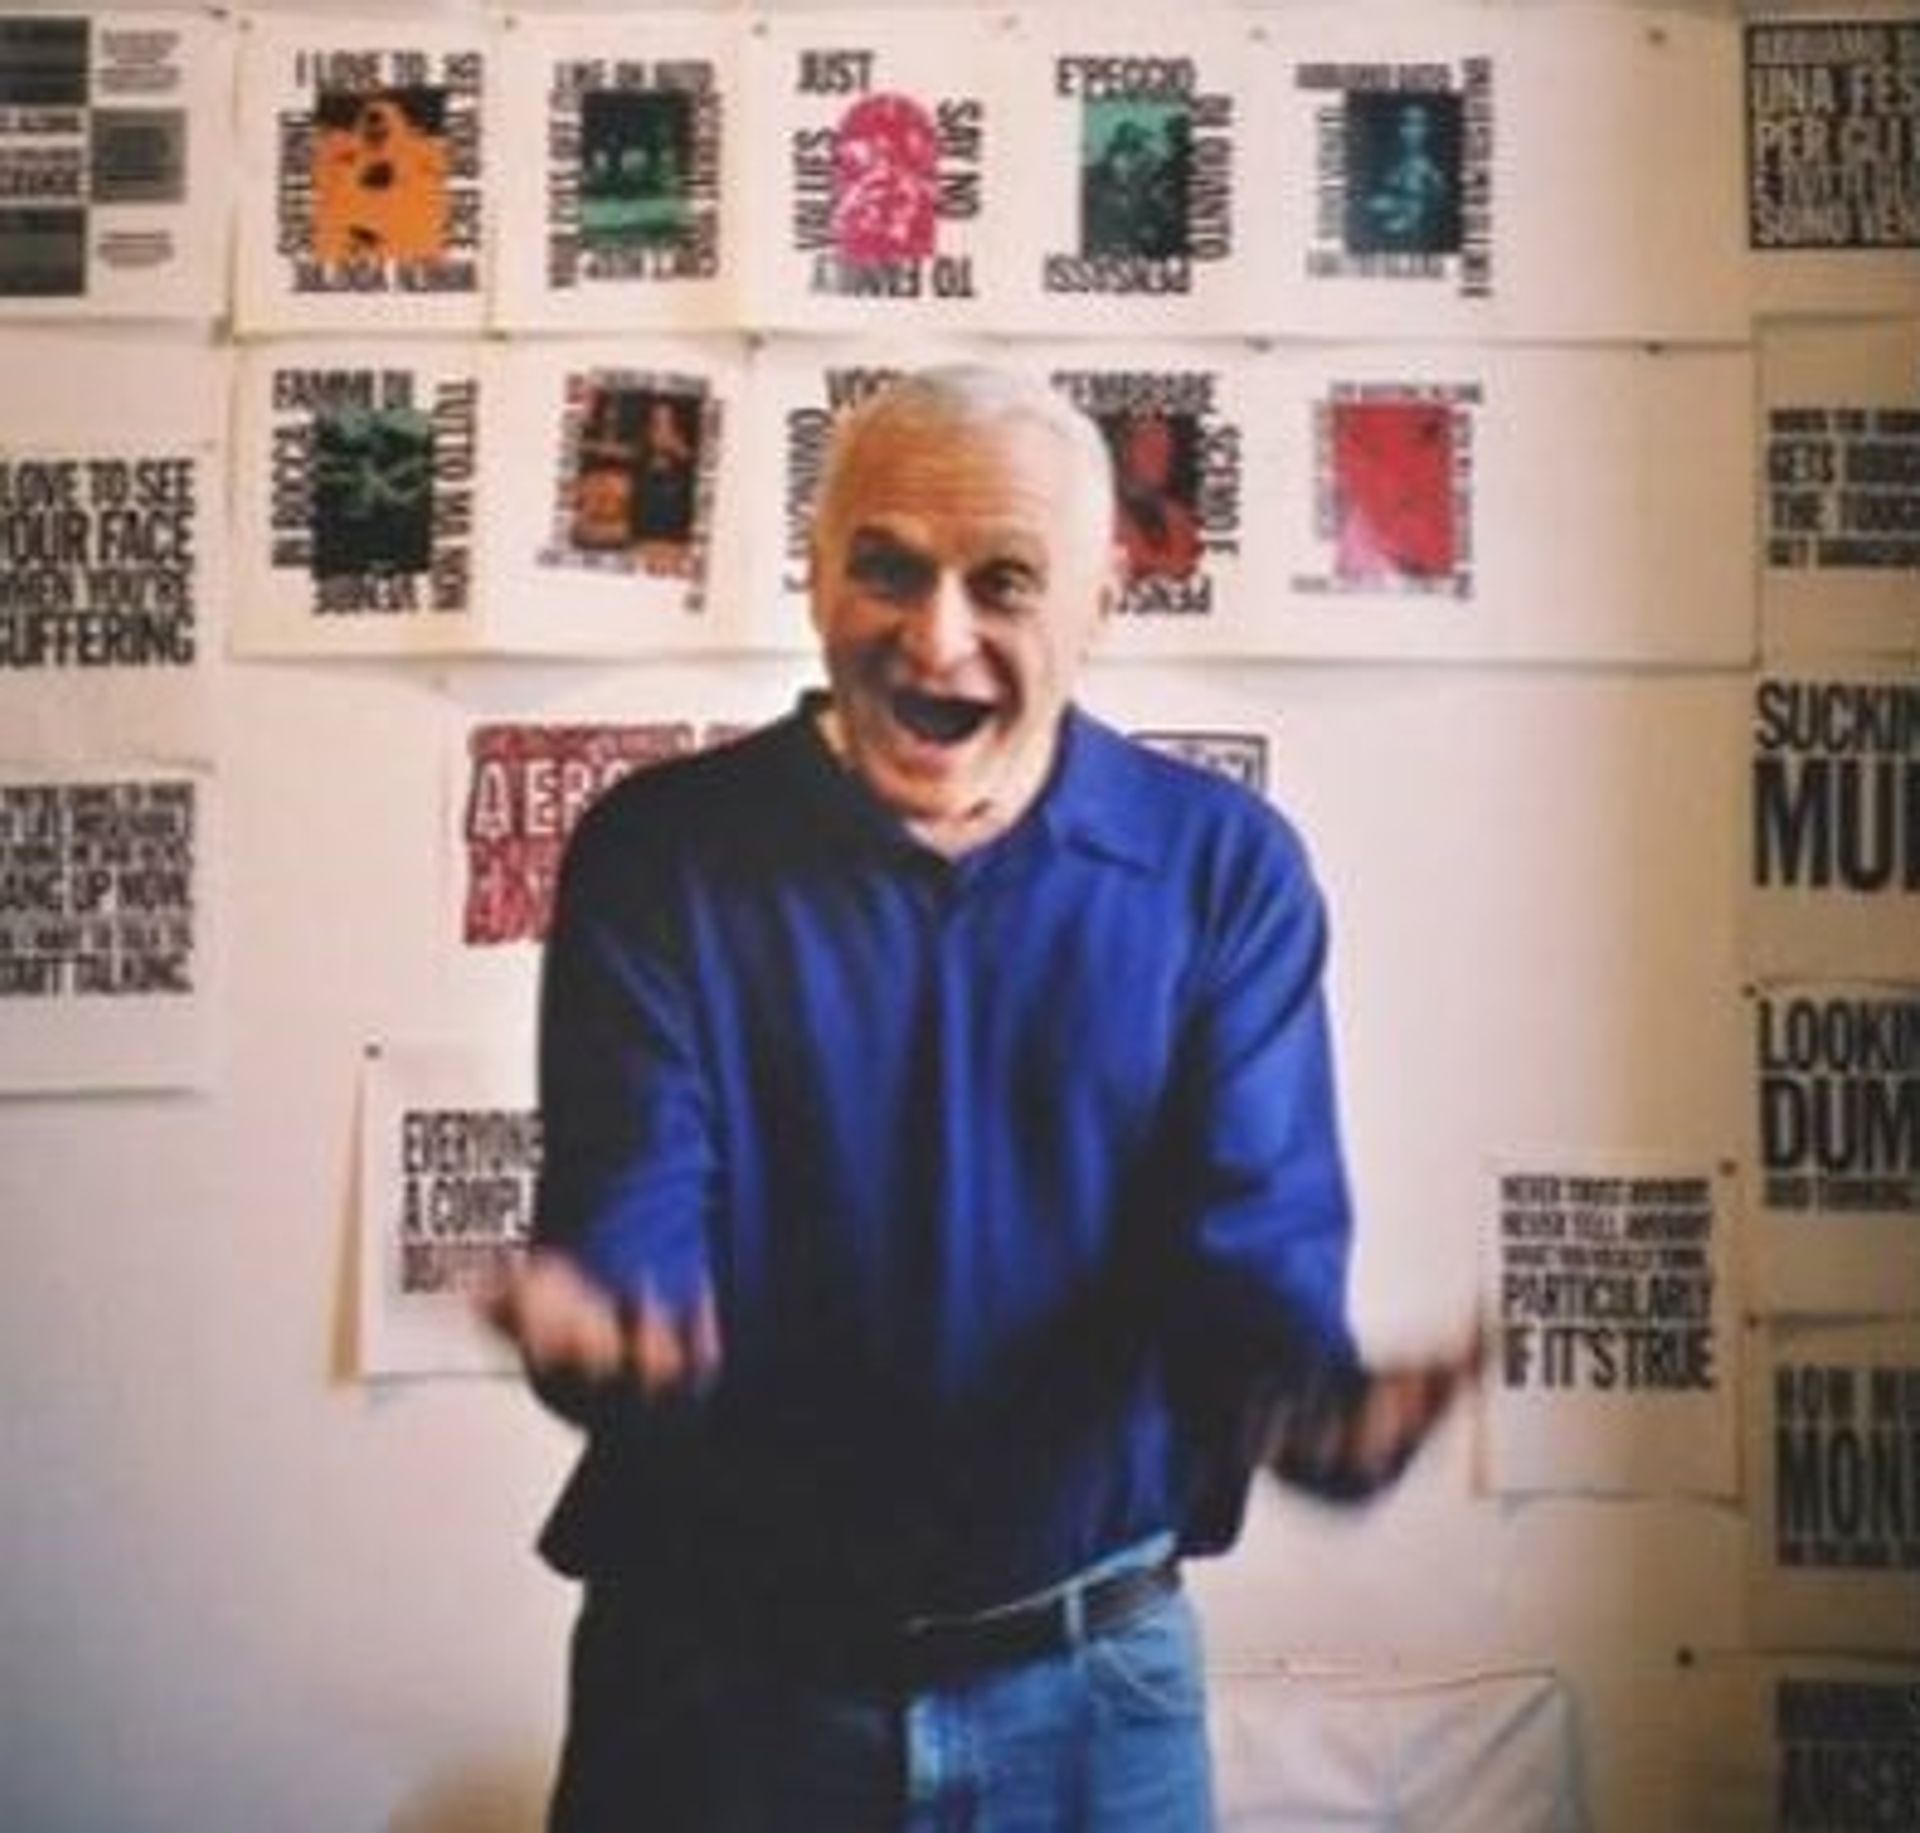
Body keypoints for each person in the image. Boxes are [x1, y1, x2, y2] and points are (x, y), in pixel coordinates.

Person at [485, 366, 1477, 1830]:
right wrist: (612, 1333)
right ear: (815, 573)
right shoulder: (661, 855)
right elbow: (630, 1209)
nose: (935, 636)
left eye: (1003, 581)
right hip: (709, 1686)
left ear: (1099, 602)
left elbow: (1256, 1251)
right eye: (886, 568)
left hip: (1091, 1697)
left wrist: (1306, 1406)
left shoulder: (1223, 873)